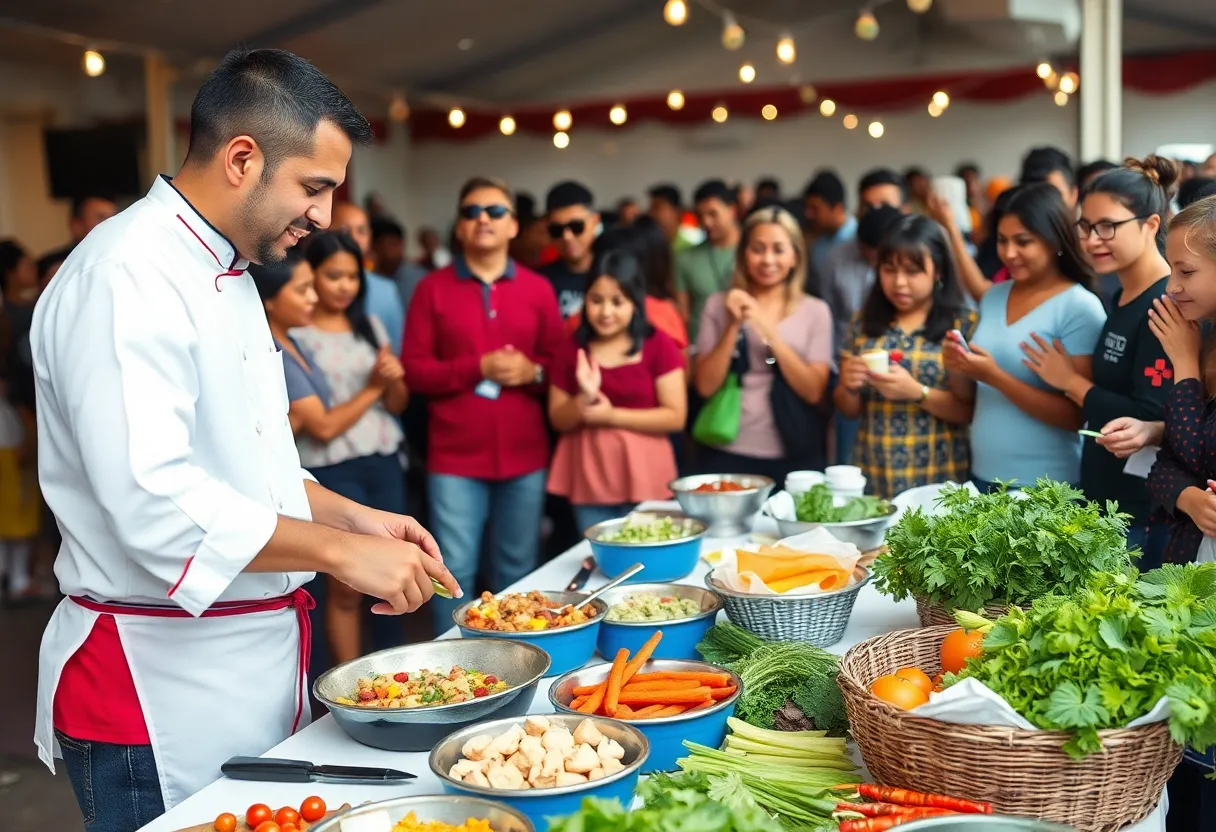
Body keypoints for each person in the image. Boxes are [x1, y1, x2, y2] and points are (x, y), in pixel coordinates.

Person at [30, 49, 459, 831]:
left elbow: (249, 467)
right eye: (314, 188)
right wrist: (336, 554)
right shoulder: (126, 273)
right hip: (160, 686)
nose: (324, 217)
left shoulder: (225, 271)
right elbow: (154, 500)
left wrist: (347, 517)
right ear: (241, 159)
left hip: (247, 661)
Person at [402, 176, 563, 628]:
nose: (483, 220)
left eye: (495, 211)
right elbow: (415, 370)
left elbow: (560, 366)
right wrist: (478, 367)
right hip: (455, 457)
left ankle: (523, 665)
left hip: (525, 451)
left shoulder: (537, 289)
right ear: (459, 226)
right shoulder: (433, 288)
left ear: (514, 225)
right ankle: (452, 676)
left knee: (519, 571)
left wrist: (532, 372)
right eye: (472, 212)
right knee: (453, 574)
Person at [1021, 157, 1177, 569]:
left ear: (1151, 225)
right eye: (1085, 227)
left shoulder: (1164, 305)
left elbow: (1149, 417)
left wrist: (1069, 381)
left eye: (1108, 226)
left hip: (1139, 508)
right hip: (1106, 499)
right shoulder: (1120, 295)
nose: (1092, 240)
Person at [944, 183, 1106, 491]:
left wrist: (995, 376)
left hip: (1045, 487)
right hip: (983, 477)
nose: (1008, 253)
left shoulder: (1078, 307)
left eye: (1023, 242)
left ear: (1054, 239)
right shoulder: (993, 296)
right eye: (1002, 241)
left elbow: (1076, 416)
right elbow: (968, 396)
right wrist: (957, 363)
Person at [295, 231, 409, 666]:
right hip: (330, 468)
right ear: (312, 275)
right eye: (332, 276)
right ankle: (348, 680)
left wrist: (393, 380)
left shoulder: (369, 326)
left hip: (381, 459)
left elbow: (396, 405)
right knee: (344, 583)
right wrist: (373, 387)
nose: (344, 286)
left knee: (394, 570)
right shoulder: (297, 335)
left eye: (352, 277)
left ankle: (398, 669)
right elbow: (320, 428)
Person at [1142, 195, 1216, 832]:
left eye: (1187, 273)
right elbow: (1173, 461)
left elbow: (1195, 447)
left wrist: (1185, 365)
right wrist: (1188, 494)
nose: (1173, 286)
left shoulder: (1193, 345)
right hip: (1188, 560)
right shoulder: (1203, 333)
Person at [833, 215, 976, 498]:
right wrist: (847, 386)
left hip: (938, 475)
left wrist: (916, 392)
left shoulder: (962, 325)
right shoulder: (864, 324)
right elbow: (848, 409)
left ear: (938, 272)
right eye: (889, 270)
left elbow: (968, 411)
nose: (899, 283)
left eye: (913, 271)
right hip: (875, 469)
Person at [547, 250, 686, 531]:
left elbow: (676, 416)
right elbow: (558, 419)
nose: (605, 312)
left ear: (635, 303)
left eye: (617, 301)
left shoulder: (658, 344)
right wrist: (583, 398)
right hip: (590, 472)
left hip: (647, 471)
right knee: (599, 560)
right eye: (596, 300)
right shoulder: (571, 349)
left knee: (649, 554)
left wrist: (611, 416)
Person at [693, 206, 834, 481]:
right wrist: (733, 324)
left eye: (779, 249)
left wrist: (766, 329)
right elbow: (705, 385)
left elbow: (814, 391)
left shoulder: (815, 311)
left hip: (794, 451)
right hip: (725, 447)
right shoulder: (718, 304)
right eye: (757, 249)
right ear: (743, 255)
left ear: (795, 256)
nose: (767, 260)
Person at [332, 201, 405, 356]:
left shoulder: (386, 290)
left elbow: (397, 349)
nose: (353, 238)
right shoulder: (309, 284)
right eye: (344, 231)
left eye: (361, 231)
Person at [675, 179, 740, 342]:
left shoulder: (755, 252)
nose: (706, 222)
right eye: (700, 216)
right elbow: (683, 316)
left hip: (747, 348)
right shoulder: (685, 258)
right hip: (701, 347)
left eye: (713, 214)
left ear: (731, 210)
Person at [541, 181, 600, 320]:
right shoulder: (541, 283)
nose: (567, 237)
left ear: (595, 221)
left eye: (576, 226)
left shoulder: (616, 275)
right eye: (557, 230)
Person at [37, 194, 118, 284]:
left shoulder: (124, 259)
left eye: (114, 218)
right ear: (76, 225)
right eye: (101, 218)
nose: (111, 225)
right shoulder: (54, 267)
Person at [803, 171, 856, 297]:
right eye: (808, 208)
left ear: (837, 208)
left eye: (815, 209)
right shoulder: (817, 247)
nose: (808, 214)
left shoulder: (859, 239)